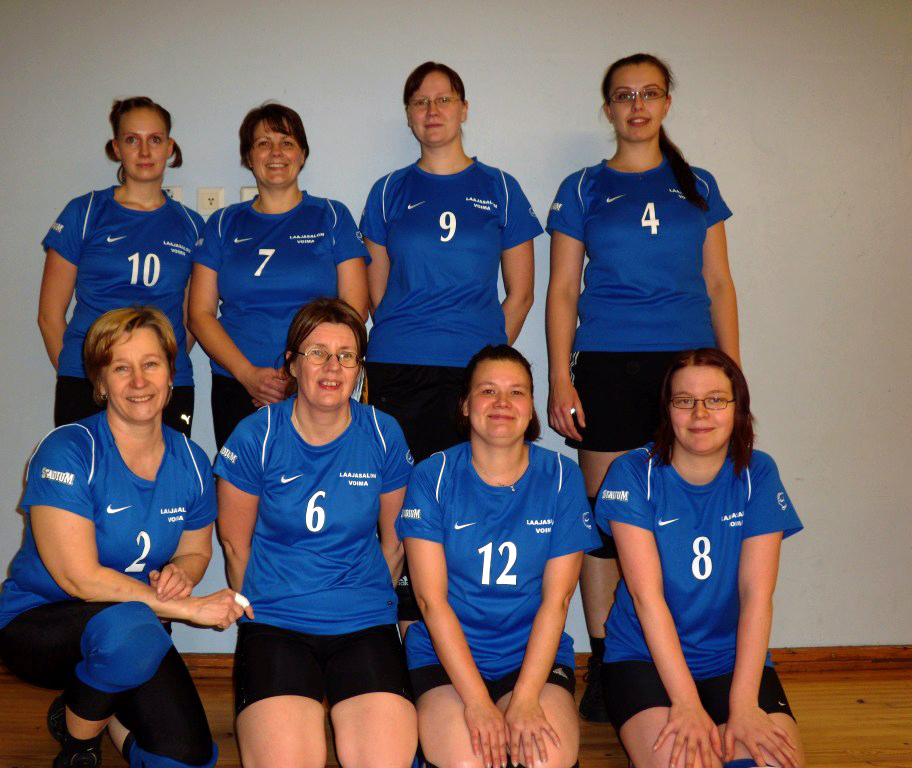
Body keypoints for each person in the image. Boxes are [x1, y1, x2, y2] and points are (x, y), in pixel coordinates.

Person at [545, 53, 740, 721]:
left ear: (666, 103)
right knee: (606, 519)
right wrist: (559, 377)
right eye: (624, 95)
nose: (637, 106)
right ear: (608, 109)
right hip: (606, 365)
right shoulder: (582, 186)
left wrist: (730, 378)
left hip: (688, 368)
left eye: (649, 93)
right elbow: (563, 290)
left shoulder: (698, 184)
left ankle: (681, 654)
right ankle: (609, 662)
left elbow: (719, 284)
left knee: (685, 514)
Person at [0, 307, 249, 768]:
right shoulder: (68, 450)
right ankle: (79, 748)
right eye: (121, 368)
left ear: (170, 374)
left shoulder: (192, 461)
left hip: (136, 632)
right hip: (40, 623)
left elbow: (195, 550)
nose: (139, 381)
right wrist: (188, 607)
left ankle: (92, 708)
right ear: (101, 382)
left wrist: (181, 572)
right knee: (129, 630)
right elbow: (80, 579)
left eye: (151, 364)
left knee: (188, 757)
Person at [361, 61, 542, 627]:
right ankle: (392, 631)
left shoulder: (500, 188)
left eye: (444, 100)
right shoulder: (388, 190)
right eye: (420, 101)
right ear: (408, 115)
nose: (432, 111)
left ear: (464, 110)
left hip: (470, 376)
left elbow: (521, 293)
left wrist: (483, 360)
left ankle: (460, 628)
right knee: (397, 505)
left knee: (463, 501)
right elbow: (376, 292)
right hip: (398, 367)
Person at [215, 298, 417, 768]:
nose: (332, 367)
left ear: (359, 368)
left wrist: (364, 598)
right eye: (317, 353)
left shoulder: (384, 434)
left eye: (346, 356)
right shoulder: (255, 435)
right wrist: (262, 611)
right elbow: (234, 545)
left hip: (363, 622)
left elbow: (395, 542)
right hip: (277, 623)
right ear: (291, 363)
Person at [595, 348, 804, 768]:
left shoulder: (758, 473)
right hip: (645, 659)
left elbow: (756, 596)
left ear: (737, 407)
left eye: (715, 399)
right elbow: (647, 598)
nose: (700, 413)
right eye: (684, 400)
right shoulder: (633, 473)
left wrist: (743, 705)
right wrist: (687, 703)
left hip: (730, 659)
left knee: (773, 763)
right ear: (667, 409)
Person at [397, 345, 600, 768]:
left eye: (517, 392)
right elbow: (431, 602)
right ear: (466, 405)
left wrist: (524, 699)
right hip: (444, 655)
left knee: (545, 759)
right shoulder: (432, 476)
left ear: (531, 408)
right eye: (488, 391)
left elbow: (558, 600)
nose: (503, 402)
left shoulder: (562, 477)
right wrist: (477, 703)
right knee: (468, 760)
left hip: (531, 656)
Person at [189, 103, 369, 450]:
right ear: (248, 157)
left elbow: (354, 310)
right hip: (238, 384)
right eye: (263, 143)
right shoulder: (223, 223)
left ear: (302, 154)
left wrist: (301, 373)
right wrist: (247, 375)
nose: (276, 152)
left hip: (319, 382)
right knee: (243, 481)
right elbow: (199, 313)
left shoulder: (332, 216)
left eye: (287, 142)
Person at [39, 97, 204, 436]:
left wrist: (156, 366)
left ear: (169, 147)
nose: (144, 151)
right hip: (87, 381)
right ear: (116, 148)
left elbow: (191, 320)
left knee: (161, 471)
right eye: (132, 140)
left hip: (165, 383)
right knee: (89, 471)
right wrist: (88, 374)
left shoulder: (191, 225)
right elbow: (49, 315)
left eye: (154, 139)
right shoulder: (84, 212)